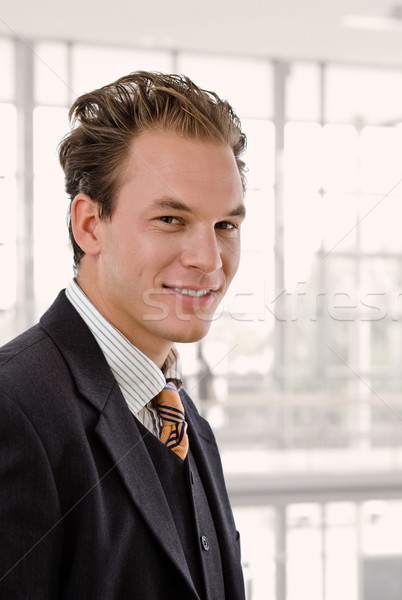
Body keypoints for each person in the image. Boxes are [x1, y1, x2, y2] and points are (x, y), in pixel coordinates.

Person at [0, 71, 247, 599]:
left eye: (226, 225)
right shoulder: (13, 408)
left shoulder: (184, 421)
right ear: (90, 225)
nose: (209, 260)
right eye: (170, 219)